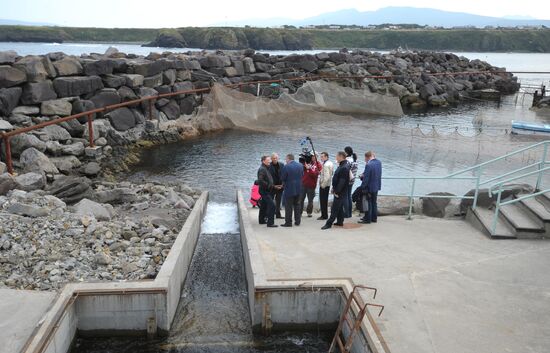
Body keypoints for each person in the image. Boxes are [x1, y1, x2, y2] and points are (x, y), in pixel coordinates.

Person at [322, 151, 351, 230]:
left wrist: (337, 191)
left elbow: (342, 181)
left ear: (341, 156)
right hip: (340, 190)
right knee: (340, 207)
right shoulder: (343, 165)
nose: (336, 158)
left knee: (334, 208)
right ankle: (340, 221)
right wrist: (333, 188)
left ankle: (328, 223)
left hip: (340, 192)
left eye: (337, 156)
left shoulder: (344, 167)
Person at [280, 154, 304, 227]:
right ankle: (297, 221)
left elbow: (283, 178)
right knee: (297, 205)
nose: (285, 161)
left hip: (289, 189)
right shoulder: (300, 165)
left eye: (286, 159)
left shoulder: (286, 166)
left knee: (288, 206)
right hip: (299, 188)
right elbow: (302, 175)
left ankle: (288, 222)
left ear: (288, 159)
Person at [359, 151, 382, 224]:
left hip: (369, 187)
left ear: (367, 157)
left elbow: (366, 178)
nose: (365, 160)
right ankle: (374, 218)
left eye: (365, 158)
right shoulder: (379, 162)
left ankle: (367, 219)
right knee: (374, 202)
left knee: (368, 203)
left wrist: (362, 186)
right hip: (376, 185)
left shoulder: (369, 165)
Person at [257, 155, 279, 228]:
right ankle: (270, 223)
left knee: (263, 205)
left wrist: (273, 186)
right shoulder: (262, 169)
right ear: (263, 161)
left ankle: (261, 220)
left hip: (266, 190)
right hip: (264, 190)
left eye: (270, 159)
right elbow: (260, 180)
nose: (270, 161)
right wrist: (269, 185)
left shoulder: (266, 168)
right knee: (272, 205)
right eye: (268, 160)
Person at [300, 154, 322, 218]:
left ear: (316, 157)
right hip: (303, 184)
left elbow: (315, 174)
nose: (313, 157)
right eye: (311, 156)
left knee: (310, 200)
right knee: (301, 199)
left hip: (312, 185)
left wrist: (309, 169)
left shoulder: (318, 164)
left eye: (314, 156)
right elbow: (301, 170)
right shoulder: (305, 162)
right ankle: (299, 212)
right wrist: (304, 164)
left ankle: (309, 212)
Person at [318, 151, 334, 220]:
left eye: (322, 156)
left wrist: (322, 185)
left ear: (326, 157)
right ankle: (325, 215)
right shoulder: (330, 163)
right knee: (325, 200)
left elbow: (327, 176)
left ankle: (324, 215)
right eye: (321, 156)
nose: (321, 158)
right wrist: (321, 172)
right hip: (328, 184)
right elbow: (331, 173)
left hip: (324, 185)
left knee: (323, 200)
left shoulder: (326, 165)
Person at [269, 153, 285, 219]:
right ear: (271, 159)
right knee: (270, 201)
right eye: (273, 158)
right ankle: (269, 214)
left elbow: (284, 175)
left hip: (280, 186)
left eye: (276, 158)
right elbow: (268, 177)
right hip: (272, 186)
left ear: (278, 158)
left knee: (278, 201)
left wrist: (283, 184)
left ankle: (278, 214)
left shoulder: (282, 165)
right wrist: (273, 185)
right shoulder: (269, 166)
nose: (275, 159)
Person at [344, 146, 358, 218]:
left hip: (347, 180)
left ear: (346, 152)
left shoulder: (347, 161)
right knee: (349, 196)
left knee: (345, 196)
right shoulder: (354, 160)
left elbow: (345, 171)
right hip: (352, 180)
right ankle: (349, 213)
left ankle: (346, 213)